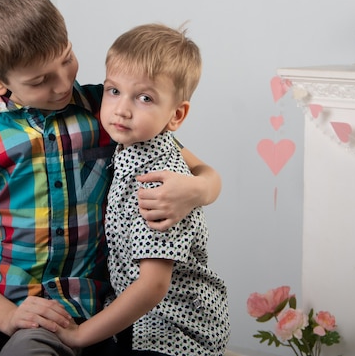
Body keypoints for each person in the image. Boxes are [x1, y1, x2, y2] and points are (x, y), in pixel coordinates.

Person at [0, 0, 222, 356]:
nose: (61, 85)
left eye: (67, 58)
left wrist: (199, 190)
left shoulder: (105, 113)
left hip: (70, 306)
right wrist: (5, 315)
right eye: (39, 80)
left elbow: (198, 169)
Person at [54, 23, 230, 356]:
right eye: (113, 91)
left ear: (176, 115)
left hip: (173, 330)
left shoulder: (158, 184)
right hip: (138, 315)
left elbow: (153, 286)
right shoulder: (140, 146)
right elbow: (208, 174)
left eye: (145, 98)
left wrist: (80, 335)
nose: (121, 108)